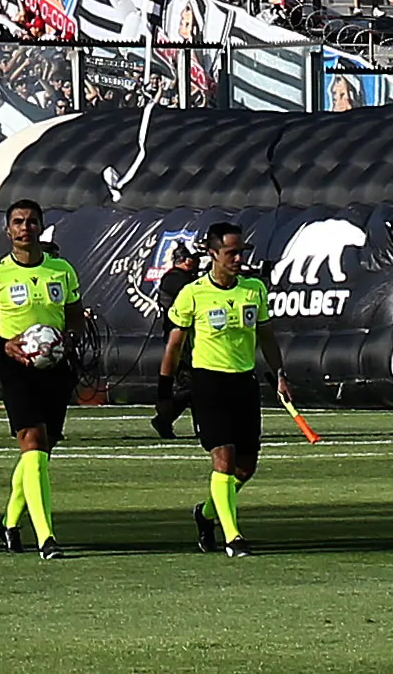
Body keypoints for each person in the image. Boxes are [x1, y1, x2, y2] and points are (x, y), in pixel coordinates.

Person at [0, 197, 83, 558]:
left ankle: (9, 522)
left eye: (31, 221)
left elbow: (75, 314)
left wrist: (68, 339)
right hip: (17, 366)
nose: (25, 228)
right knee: (32, 442)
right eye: (18, 222)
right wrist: (3, 344)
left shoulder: (61, 270)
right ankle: (46, 537)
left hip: (55, 368)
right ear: (8, 230)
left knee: (41, 451)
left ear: (40, 226)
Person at [159, 221, 274, 554]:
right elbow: (173, 347)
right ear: (212, 254)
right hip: (208, 384)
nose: (238, 259)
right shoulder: (193, 294)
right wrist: (164, 394)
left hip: (245, 384)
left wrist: (279, 374)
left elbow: (267, 336)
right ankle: (233, 536)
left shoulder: (253, 289)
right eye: (231, 253)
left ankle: (206, 512)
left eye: (242, 252)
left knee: (245, 467)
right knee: (222, 461)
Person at [139, 242, 201, 442]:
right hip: (179, 338)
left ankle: (174, 420)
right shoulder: (173, 279)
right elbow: (191, 292)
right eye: (195, 258)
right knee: (190, 384)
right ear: (185, 260)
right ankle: (166, 418)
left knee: (195, 385)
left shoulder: (185, 279)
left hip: (191, 338)